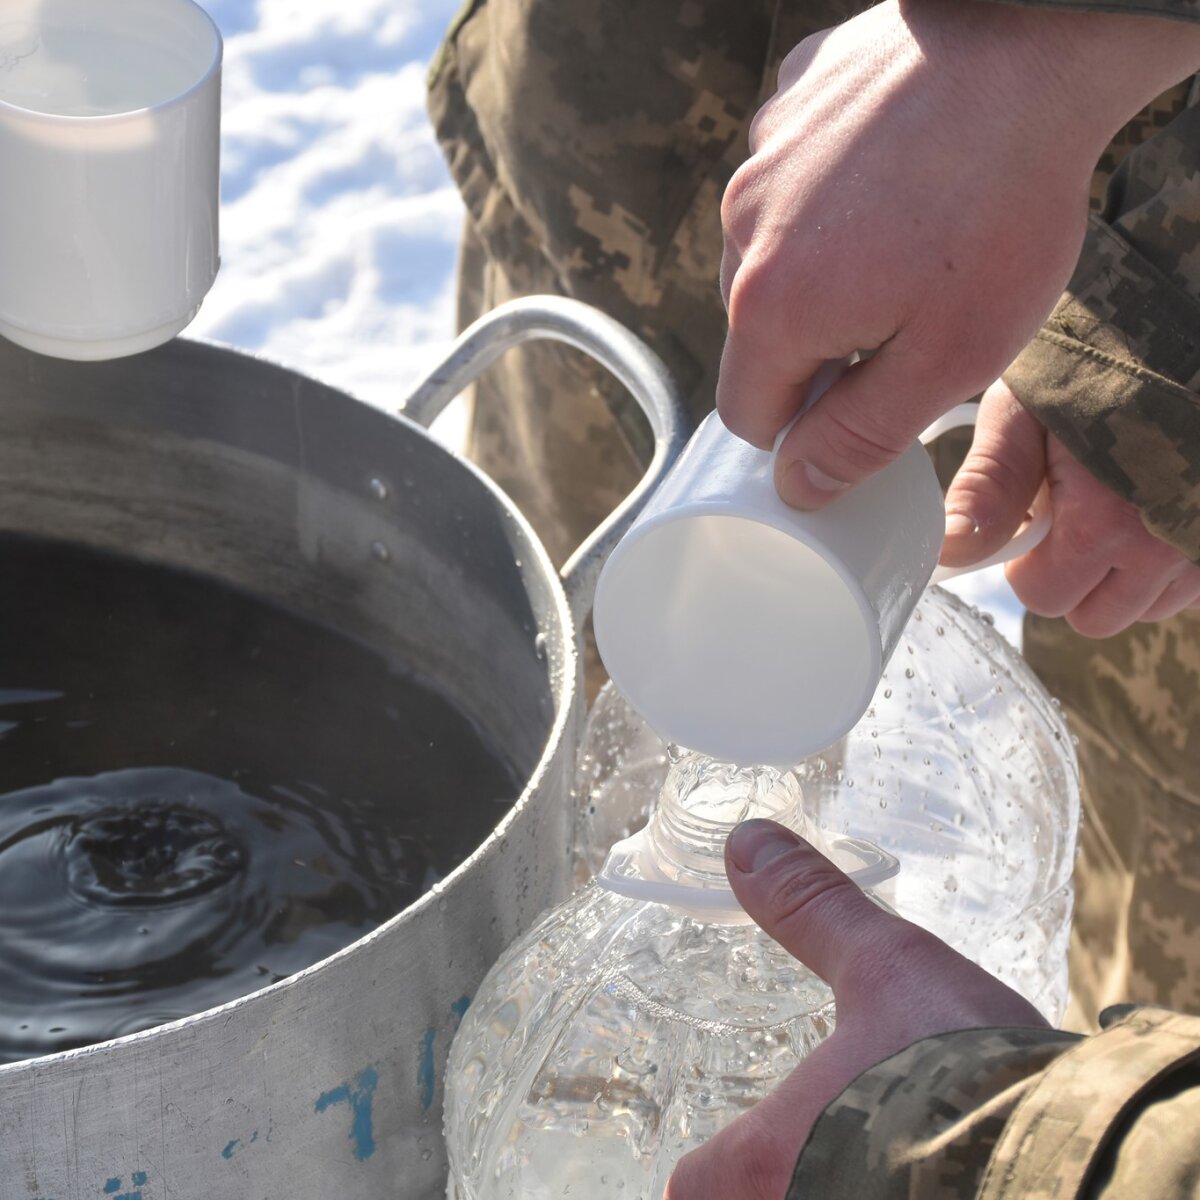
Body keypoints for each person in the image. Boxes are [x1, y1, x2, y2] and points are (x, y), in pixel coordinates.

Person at [428, 0, 1200, 1192]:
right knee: (544, 711)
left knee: (1135, 943)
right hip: (629, 124)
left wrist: (1165, 360)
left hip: (1138, 213)